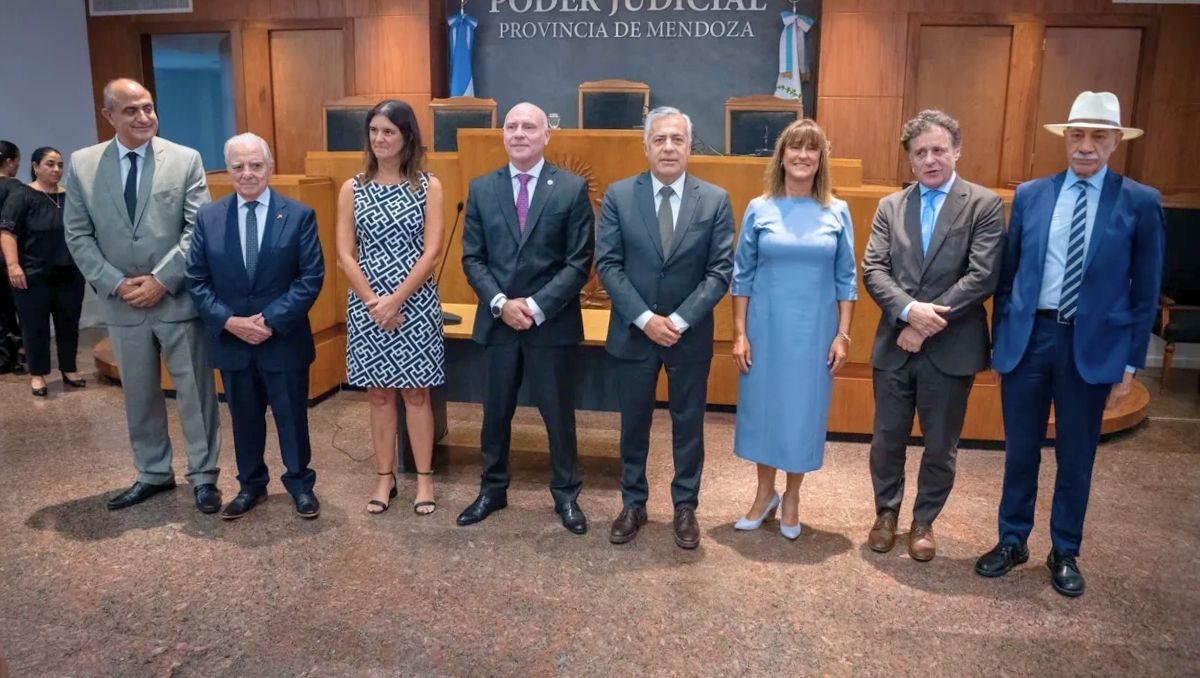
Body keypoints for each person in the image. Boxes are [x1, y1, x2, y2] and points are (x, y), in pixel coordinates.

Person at [976, 91, 1164, 597]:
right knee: (1019, 451)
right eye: (1077, 135)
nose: (1085, 146)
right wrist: (1001, 344)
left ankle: (1065, 550)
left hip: (1092, 348)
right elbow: (1007, 276)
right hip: (1030, 340)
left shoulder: (1140, 201)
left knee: (1076, 456)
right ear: (1066, 139)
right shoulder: (1033, 194)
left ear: (1115, 142)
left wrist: (1130, 364)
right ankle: (1012, 540)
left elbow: (1145, 291)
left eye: (1098, 136)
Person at [63, 78, 222, 514]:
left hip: (176, 300)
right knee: (139, 394)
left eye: (148, 108)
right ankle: (153, 472)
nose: (144, 117)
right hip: (122, 305)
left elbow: (197, 229)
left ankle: (204, 476)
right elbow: (77, 235)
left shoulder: (185, 159)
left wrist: (161, 280)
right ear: (108, 115)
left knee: (196, 393)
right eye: (131, 110)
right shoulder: (83, 164)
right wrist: (115, 282)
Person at [861, 109, 1005, 562]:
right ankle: (886, 514)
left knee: (940, 446)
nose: (930, 159)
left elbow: (982, 276)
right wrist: (909, 314)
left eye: (939, 150)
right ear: (910, 161)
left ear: (957, 151)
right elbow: (874, 270)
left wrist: (922, 327)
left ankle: (924, 522)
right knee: (887, 440)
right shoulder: (890, 207)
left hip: (951, 348)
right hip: (895, 346)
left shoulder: (982, 204)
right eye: (920, 152)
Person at [596, 106, 734, 549]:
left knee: (688, 425)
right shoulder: (619, 195)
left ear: (690, 146)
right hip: (633, 333)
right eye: (660, 139)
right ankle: (633, 503)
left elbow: (719, 272)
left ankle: (685, 506)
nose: (669, 147)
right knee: (633, 423)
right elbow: (609, 265)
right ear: (646, 146)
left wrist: (675, 320)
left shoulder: (714, 199)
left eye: (677, 139)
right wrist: (645, 319)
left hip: (687, 336)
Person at [458, 102, 596, 534]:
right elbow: (472, 258)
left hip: (550, 323)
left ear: (546, 135)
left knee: (558, 414)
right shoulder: (482, 188)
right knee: (495, 413)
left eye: (529, 127)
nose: (519, 133)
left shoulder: (571, 188)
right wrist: (501, 303)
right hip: (498, 322)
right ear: (504, 135)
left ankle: (566, 495)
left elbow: (579, 262)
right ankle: (492, 490)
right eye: (512, 126)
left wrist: (535, 307)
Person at [730, 119, 857, 540]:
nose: (803, 156)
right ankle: (764, 492)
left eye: (812, 149)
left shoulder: (836, 211)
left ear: (821, 159)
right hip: (765, 329)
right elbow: (741, 274)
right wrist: (739, 332)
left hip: (814, 332)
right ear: (781, 155)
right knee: (764, 411)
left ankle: (792, 496)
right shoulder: (759, 207)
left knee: (803, 413)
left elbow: (847, 279)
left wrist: (842, 335)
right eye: (795, 148)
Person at [186, 134, 324, 520]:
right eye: (238, 166)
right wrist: (230, 322)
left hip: (283, 340)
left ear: (270, 166)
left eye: (255, 165)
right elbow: (196, 279)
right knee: (244, 420)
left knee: (292, 419)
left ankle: (300, 485)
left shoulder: (298, 215)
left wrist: (270, 320)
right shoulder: (208, 217)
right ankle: (251, 486)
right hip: (233, 342)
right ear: (227, 170)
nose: (247, 174)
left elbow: (309, 278)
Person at [337, 99, 445, 516]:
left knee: (416, 395)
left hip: (413, 304)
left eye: (389, 132)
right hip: (367, 303)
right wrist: (373, 302)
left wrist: (395, 300)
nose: (380, 139)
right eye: (374, 131)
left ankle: (424, 480)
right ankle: (385, 478)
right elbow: (346, 253)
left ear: (406, 137)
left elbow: (431, 251)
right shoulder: (353, 187)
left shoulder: (427, 185)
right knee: (379, 395)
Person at [0, 147, 86, 397]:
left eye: (60, 164)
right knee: (34, 326)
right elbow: (7, 232)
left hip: (69, 274)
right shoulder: (22, 196)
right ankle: (37, 375)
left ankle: (69, 369)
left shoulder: (70, 197)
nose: (56, 169)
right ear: (36, 166)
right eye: (50, 164)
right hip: (32, 275)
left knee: (68, 324)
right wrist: (13, 265)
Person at [0, 140, 24, 374]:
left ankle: (4, 358)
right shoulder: (15, 188)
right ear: (9, 162)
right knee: (17, 309)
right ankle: (18, 355)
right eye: (17, 161)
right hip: (8, 259)